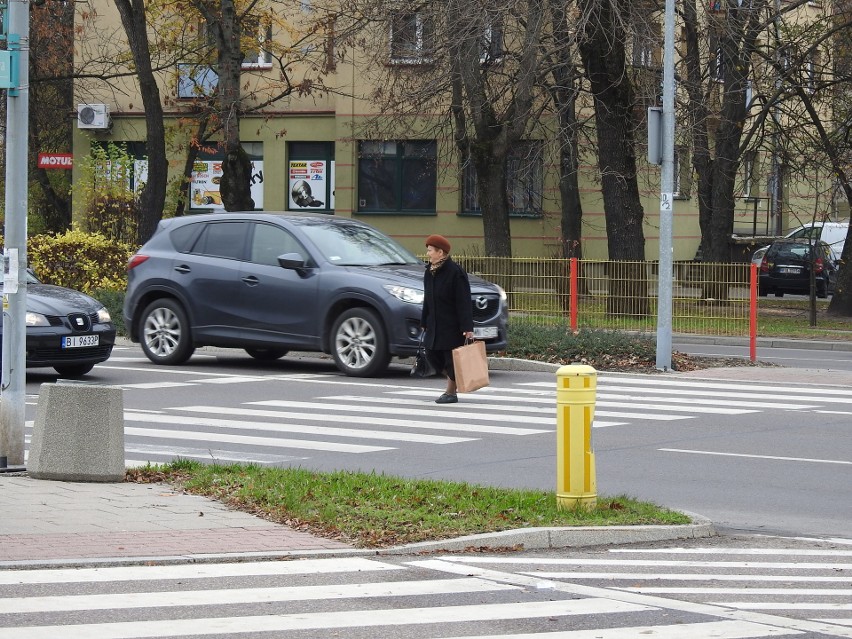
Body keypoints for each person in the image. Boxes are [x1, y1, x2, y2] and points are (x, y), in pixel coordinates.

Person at [421, 234, 474, 404]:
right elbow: (427, 299)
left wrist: (467, 327)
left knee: (450, 359)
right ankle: (456, 381)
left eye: (430, 250)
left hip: (452, 325)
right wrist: (424, 321)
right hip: (434, 324)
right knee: (431, 354)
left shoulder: (455, 273)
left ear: (441, 252)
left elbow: (464, 301)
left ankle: (451, 392)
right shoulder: (429, 273)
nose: (427, 253)